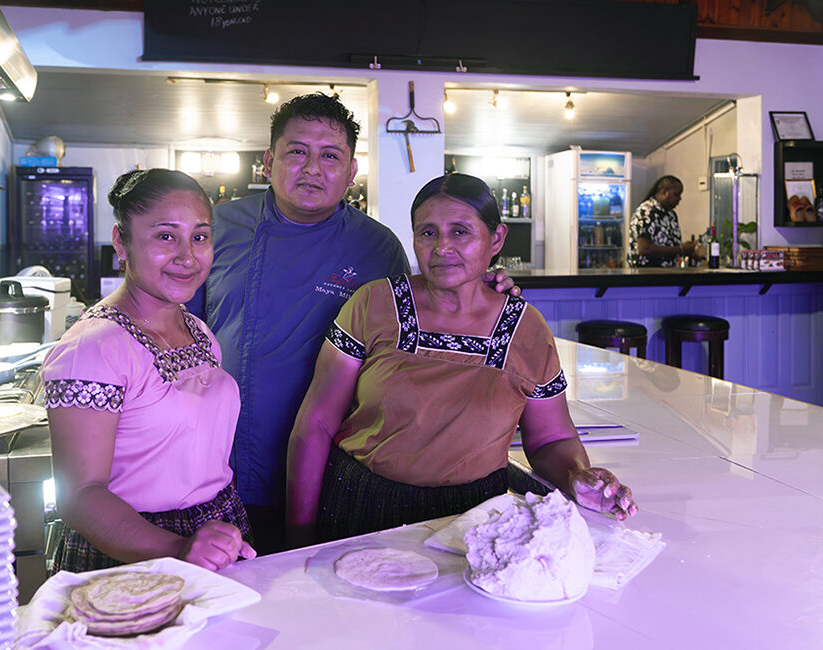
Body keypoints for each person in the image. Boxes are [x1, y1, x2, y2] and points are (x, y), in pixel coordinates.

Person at [186, 93, 519, 553]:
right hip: (218, 465)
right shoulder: (215, 228)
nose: (312, 168)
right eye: (296, 152)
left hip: (330, 469)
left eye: (330, 156)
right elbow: (174, 331)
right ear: (268, 161)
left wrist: (486, 285)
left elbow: (429, 319)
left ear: (351, 172)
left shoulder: (376, 247)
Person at [287, 173, 636, 546]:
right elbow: (317, 422)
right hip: (362, 508)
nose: (441, 248)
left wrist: (577, 476)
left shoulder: (525, 329)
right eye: (427, 233)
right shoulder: (374, 304)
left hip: (473, 519)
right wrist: (299, 534)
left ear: (496, 239)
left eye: (460, 231)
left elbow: (551, 438)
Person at [43, 168, 255, 574]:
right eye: (165, 236)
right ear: (122, 242)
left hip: (217, 534)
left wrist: (205, 540)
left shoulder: (198, 332)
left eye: (199, 236)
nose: (187, 256)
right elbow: (79, 494)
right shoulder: (93, 348)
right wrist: (177, 547)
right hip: (134, 548)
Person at [627, 175, 702, 267]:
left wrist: (688, 251)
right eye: (676, 194)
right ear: (664, 192)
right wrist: (681, 249)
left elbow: (669, 246)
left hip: (667, 273)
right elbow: (645, 249)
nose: (679, 199)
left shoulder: (671, 215)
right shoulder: (646, 212)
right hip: (646, 275)